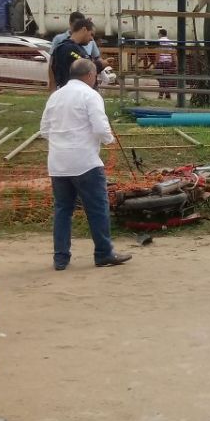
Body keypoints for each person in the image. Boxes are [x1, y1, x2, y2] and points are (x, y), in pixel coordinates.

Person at [40, 59, 132, 271]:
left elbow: (44, 129)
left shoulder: (55, 96)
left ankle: (60, 258)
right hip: (85, 162)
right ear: (90, 75)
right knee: (97, 208)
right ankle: (104, 253)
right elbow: (100, 127)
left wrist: (62, 140)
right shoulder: (90, 95)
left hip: (58, 163)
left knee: (63, 210)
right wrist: (109, 139)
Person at [50, 17, 96, 89]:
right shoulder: (68, 48)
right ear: (84, 29)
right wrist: (101, 64)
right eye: (91, 34)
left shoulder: (76, 48)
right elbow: (84, 68)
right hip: (72, 91)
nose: (91, 39)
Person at [155, 28, 176, 100]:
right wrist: (174, 62)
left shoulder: (158, 42)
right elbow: (173, 53)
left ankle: (161, 95)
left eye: (158, 33)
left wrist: (156, 63)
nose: (158, 35)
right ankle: (167, 94)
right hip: (168, 62)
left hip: (160, 62)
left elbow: (157, 53)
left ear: (160, 34)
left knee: (160, 78)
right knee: (166, 78)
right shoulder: (171, 42)